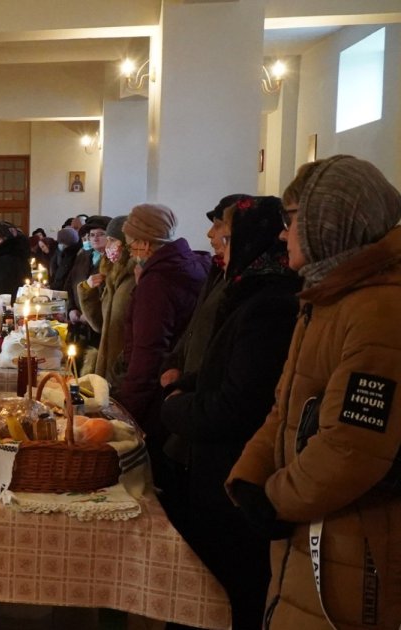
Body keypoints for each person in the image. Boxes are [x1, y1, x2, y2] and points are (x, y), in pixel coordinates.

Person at [228, 156, 401, 629]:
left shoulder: (379, 308)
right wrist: (249, 476)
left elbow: (353, 446)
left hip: (351, 540)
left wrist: (275, 498)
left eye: (291, 220)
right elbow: (283, 408)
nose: (283, 234)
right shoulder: (327, 296)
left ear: (330, 218)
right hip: (309, 526)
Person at [157, 196, 299, 630]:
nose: (215, 240)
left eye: (227, 234)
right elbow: (223, 363)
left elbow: (239, 402)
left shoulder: (270, 304)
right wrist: (188, 382)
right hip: (216, 467)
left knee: (232, 593)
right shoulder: (244, 287)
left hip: (232, 474)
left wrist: (175, 409)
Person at [116, 203, 208, 470]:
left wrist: (127, 410)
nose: (131, 253)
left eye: (131, 245)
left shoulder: (157, 282)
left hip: (157, 395)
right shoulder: (191, 264)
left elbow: (148, 349)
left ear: (145, 245)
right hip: (179, 385)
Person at [159, 194, 253, 391]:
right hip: (190, 386)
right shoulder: (218, 270)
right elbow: (195, 323)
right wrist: (175, 362)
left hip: (206, 394)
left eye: (219, 226)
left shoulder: (243, 284)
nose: (210, 234)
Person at [77, 216, 135, 385]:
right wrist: (87, 291)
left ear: (125, 243)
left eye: (111, 239)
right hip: (109, 364)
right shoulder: (111, 275)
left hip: (121, 370)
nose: (107, 245)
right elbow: (100, 324)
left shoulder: (133, 278)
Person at [48, 227, 81, 291]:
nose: (59, 245)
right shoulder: (62, 253)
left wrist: (52, 287)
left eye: (61, 242)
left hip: (64, 291)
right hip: (58, 288)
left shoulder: (72, 255)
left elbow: (64, 275)